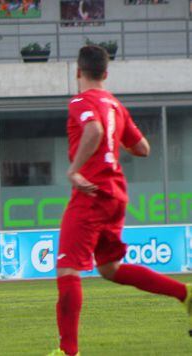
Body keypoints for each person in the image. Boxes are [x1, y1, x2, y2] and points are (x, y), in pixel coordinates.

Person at [49, 45, 191, 356]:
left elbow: (94, 130)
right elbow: (142, 148)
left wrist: (74, 170)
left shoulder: (80, 101)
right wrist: (113, 145)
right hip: (116, 195)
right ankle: (186, 294)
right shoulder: (115, 105)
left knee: (68, 270)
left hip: (91, 193)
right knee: (110, 268)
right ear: (106, 73)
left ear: (78, 71)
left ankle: (68, 352)